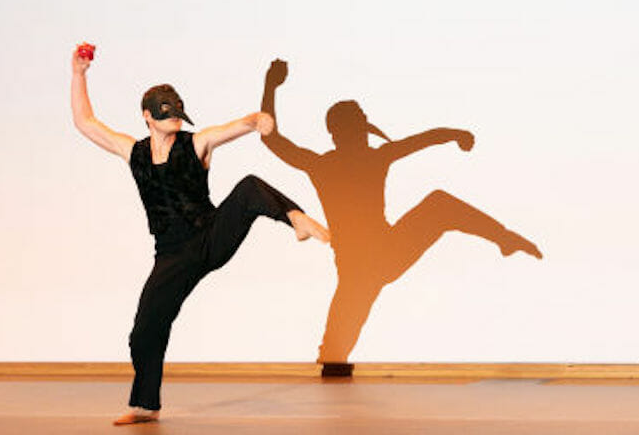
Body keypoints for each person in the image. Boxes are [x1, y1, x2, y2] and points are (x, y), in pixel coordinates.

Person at [70, 47, 330, 424]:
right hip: (172, 256)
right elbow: (85, 122)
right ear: (148, 116)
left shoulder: (196, 143)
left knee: (248, 187)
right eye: (167, 114)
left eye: (178, 114)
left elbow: (233, 127)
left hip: (209, 238)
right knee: (145, 331)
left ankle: (295, 219)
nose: (175, 119)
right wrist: (78, 73)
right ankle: (145, 404)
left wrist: (256, 118)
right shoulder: (134, 153)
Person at [261, 59, 542, 365]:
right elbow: (271, 138)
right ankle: (503, 238)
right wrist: (455, 134)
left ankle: (503, 238)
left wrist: (271, 85)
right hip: (373, 261)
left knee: (439, 204)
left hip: (373, 258)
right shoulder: (360, 160)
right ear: (344, 132)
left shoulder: (329, 164)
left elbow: (421, 140)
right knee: (332, 353)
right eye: (359, 127)